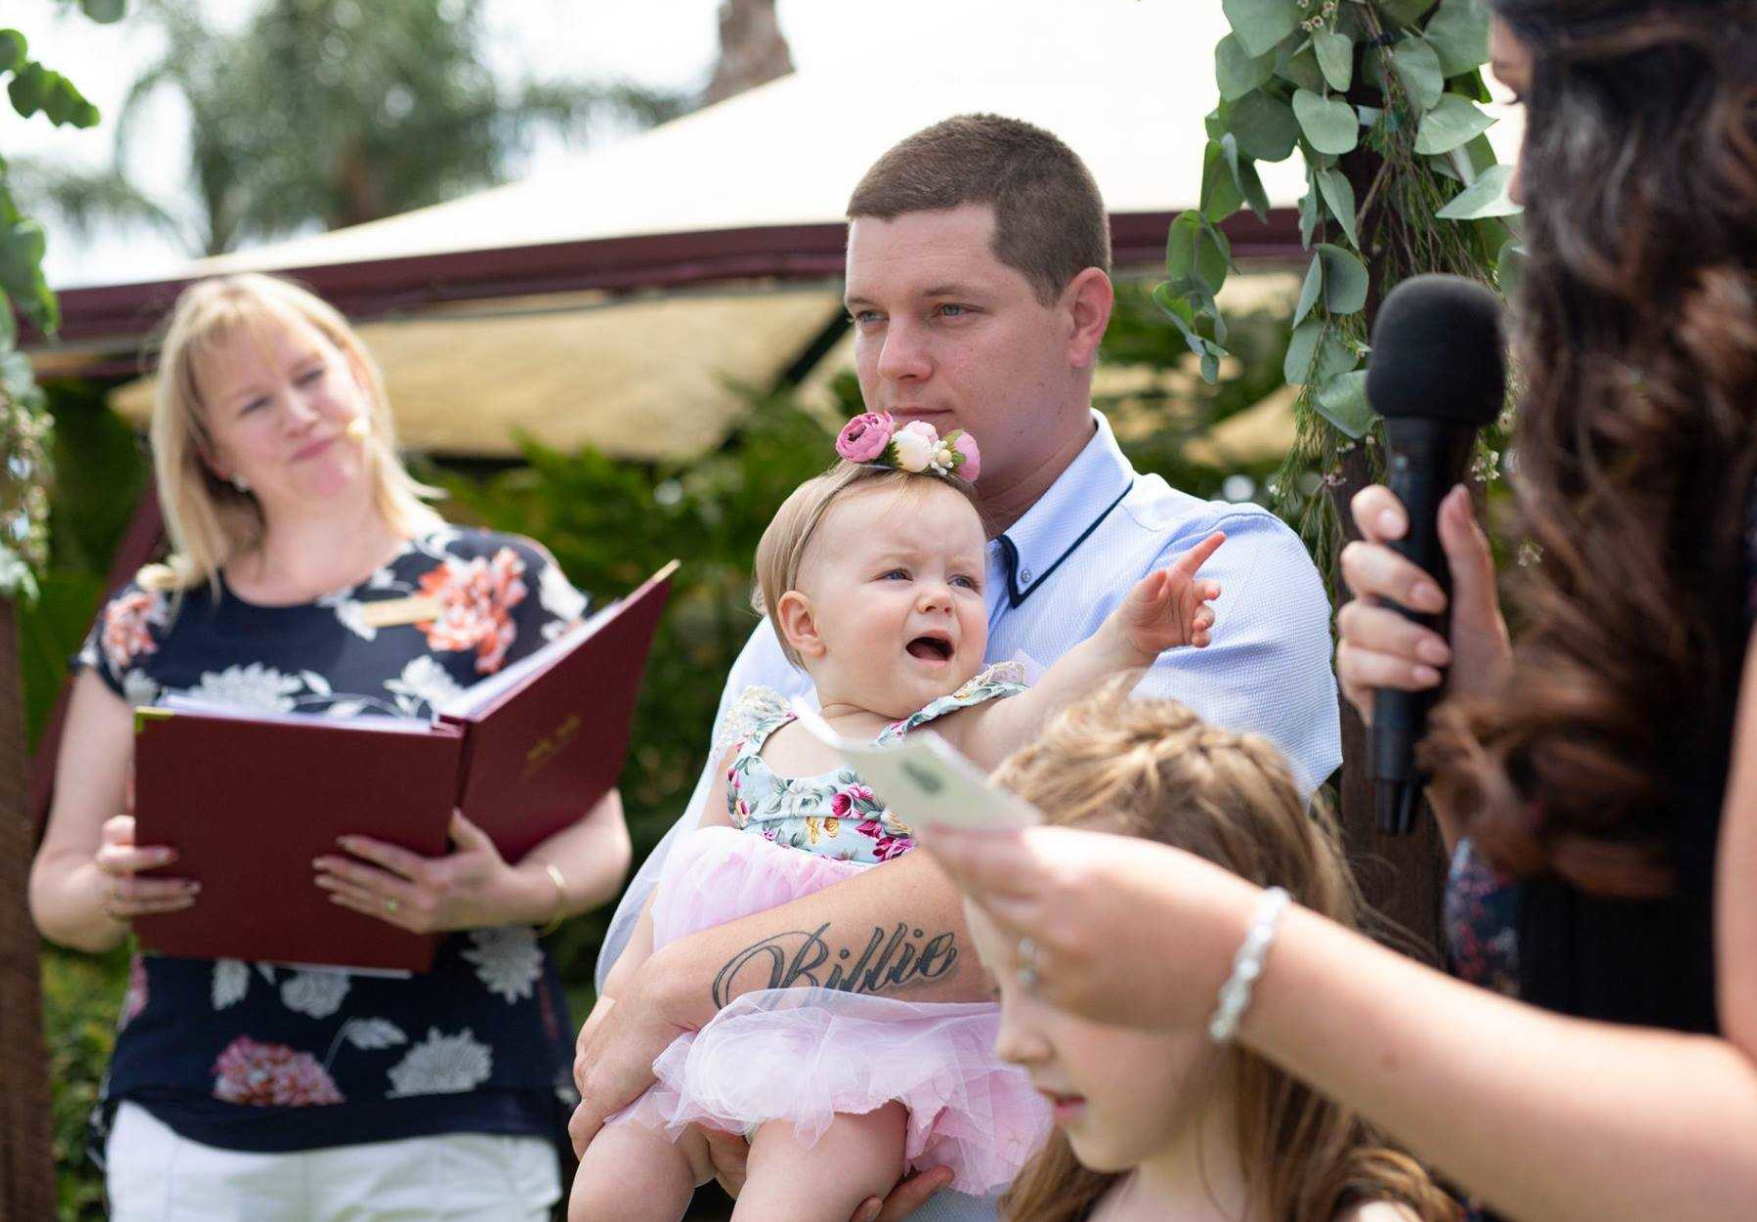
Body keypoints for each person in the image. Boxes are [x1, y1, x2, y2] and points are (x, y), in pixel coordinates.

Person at [919, 0, 1757, 1219]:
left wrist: (1247, 964)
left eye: (1525, 101)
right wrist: (1478, 728)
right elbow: (1620, 1002)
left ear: (1683, 99)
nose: (1514, 180)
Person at [572, 113, 1343, 1221]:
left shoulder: (1215, 578)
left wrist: (688, 987)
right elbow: (665, 907)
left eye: (949, 311)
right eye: (867, 316)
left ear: (1080, 314)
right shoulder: (811, 606)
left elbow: (1065, 903)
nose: (893, 362)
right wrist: (743, 1111)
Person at [29, 274, 635, 1219]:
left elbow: (600, 833)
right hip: (196, 1127)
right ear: (214, 451)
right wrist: (108, 890)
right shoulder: (149, 622)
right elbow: (56, 887)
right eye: (254, 403)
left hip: (452, 1120)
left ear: (357, 375)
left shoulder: (505, 583)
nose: (300, 414)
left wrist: (509, 894)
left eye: (312, 376)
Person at [570, 429, 1225, 1222]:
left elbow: (1041, 722)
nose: (940, 595)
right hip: (703, 1032)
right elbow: (683, 877)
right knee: (611, 1184)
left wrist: (1123, 645)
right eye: (897, 574)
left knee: (791, 1198)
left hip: (864, 1054)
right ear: (806, 626)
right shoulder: (754, 732)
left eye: (963, 578)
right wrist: (621, 998)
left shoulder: (943, 734)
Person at [971, 687, 1455, 1222]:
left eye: (1053, 982)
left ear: (1229, 957)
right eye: (999, 989)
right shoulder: (1053, 1203)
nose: (1010, 1044)